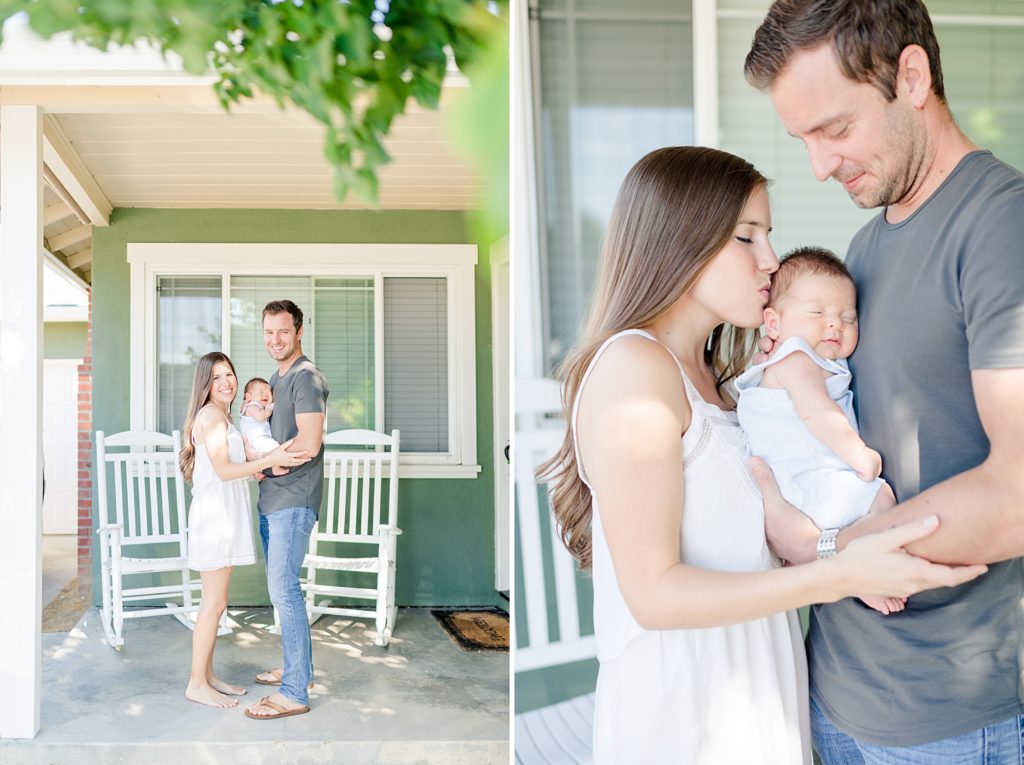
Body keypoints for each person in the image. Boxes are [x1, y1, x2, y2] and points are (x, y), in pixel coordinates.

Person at [538, 145, 986, 764]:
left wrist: (837, 545)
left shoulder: (726, 383)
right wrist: (844, 574)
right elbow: (655, 595)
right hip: (689, 714)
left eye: (767, 235)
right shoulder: (634, 368)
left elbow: (761, 541)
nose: (771, 262)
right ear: (680, 241)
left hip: (762, 687)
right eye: (747, 237)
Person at [744, 0, 1024, 760]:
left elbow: (1019, 488)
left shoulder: (1002, 226)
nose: (819, 165)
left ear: (912, 76)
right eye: (802, 139)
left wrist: (823, 549)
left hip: (948, 719)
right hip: (830, 684)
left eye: (834, 129)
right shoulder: (862, 249)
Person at [735, 247, 902, 615]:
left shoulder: (799, 359)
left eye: (848, 317)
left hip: (800, 488)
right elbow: (818, 414)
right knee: (883, 499)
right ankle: (865, 576)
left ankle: (856, 578)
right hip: (808, 481)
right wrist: (862, 456)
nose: (834, 324)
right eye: (817, 313)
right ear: (774, 324)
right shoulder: (796, 357)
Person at [179, 351, 310, 709]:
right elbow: (222, 470)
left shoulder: (222, 417)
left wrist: (257, 465)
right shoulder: (211, 416)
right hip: (214, 517)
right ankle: (196, 683)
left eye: (229, 375)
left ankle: (208, 677)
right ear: (205, 384)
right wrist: (270, 461)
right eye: (217, 377)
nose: (226, 382)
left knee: (218, 603)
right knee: (213, 603)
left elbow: (232, 465)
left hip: (224, 514)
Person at [245, 299, 329, 721]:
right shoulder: (277, 381)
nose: (275, 339)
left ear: (298, 332)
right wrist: (262, 460)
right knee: (281, 590)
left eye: (283, 331)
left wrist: (269, 460)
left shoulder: (304, 377)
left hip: (294, 500)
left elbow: (310, 442)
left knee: (284, 589)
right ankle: (300, 669)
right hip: (274, 499)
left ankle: (294, 690)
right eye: (268, 332)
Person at [239, 377, 280, 457]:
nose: (265, 395)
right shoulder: (252, 406)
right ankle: (276, 466)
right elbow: (260, 417)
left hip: (256, 442)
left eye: (269, 393)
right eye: (261, 392)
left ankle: (275, 466)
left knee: (274, 448)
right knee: (276, 447)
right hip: (257, 442)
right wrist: (269, 408)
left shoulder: (254, 407)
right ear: (248, 397)